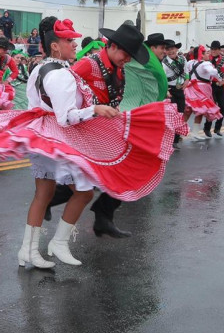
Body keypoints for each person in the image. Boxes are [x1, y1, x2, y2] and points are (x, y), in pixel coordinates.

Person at [0, 18, 187, 268]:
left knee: (46, 193)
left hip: (47, 133)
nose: (75, 45)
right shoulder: (63, 74)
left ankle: (28, 250)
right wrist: (94, 110)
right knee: (80, 191)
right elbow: (66, 117)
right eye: (70, 41)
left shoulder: (46, 70)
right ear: (55, 45)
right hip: (56, 134)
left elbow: (44, 103)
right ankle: (57, 243)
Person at [46, 22, 152, 238]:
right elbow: (60, 93)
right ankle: (49, 200)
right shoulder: (87, 65)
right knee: (90, 178)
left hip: (103, 130)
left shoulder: (120, 70)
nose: (128, 59)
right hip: (82, 130)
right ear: (112, 46)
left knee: (126, 168)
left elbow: (113, 98)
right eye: (127, 53)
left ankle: (103, 216)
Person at [184, 46, 223, 140]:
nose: (209, 54)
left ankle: (179, 132)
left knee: (188, 111)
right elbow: (212, 72)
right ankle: (194, 133)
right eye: (206, 53)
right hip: (202, 88)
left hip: (190, 87)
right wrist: (220, 78)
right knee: (200, 111)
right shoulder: (206, 64)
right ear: (201, 54)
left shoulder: (190, 62)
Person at [206, 40, 224, 137]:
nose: (213, 51)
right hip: (209, 86)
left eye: (215, 49)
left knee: (222, 107)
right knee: (211, 107)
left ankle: (218, 128)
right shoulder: (207, 59)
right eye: (212, 49)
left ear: (219, 50)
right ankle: (207, 128)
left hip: (220, 85)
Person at [162, 40, 188, 147]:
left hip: (180, 89)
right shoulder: (164, 62)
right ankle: (170, 139)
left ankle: (176, 139)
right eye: (168, 49)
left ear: (176, 49)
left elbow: (186, 71)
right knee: (171, 115)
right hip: (170, 90)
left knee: (181, 114)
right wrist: (166, 91)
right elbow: (163, 77)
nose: (171, 51)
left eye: (173, 48)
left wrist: (187, 80)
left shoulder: (183, 59)